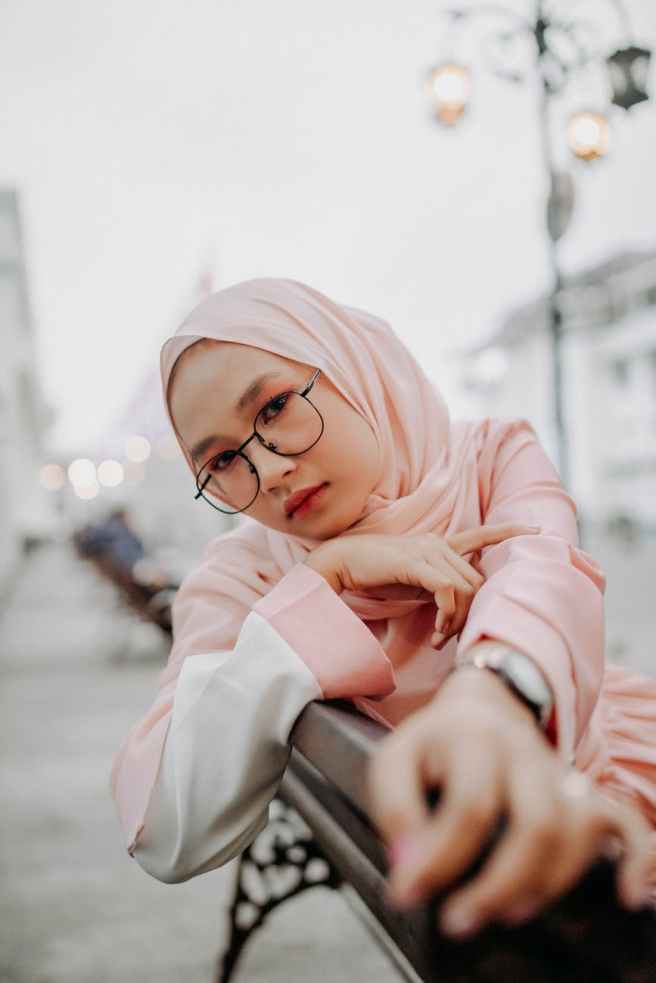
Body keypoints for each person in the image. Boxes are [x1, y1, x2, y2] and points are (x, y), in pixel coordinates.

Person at [110, 277, 656, 938]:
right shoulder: (243, 574)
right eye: (224, 459)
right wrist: (320, 582)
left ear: (347, 365)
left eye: (277, 405)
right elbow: (164, 829)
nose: (269, 468)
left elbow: (539, 569)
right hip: (547, 864)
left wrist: (488, 696)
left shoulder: (489, 456)